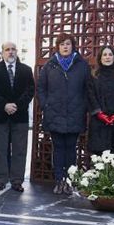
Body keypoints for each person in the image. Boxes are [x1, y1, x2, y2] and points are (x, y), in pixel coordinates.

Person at [37, 34, 89, 195]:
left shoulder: (82, 65)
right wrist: (46, 105)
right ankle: (59, 179)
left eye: (68, 44)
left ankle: (69, 181)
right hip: (55, 113)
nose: (65, 47)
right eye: (62, 44)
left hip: (75, 113)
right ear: (57, 47)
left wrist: (83, 107)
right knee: (58, 148)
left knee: (71, 149)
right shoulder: (50, 65)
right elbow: (41, 88)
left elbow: (87, 89)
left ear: (73, 46)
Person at [0, 42, 34, 192]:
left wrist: (16, 105)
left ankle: (17, 180)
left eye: (13, 49)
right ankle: (0, 179)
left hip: (20, 116)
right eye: (7, 49)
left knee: (20, 150)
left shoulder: (26, 70)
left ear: (17, 51)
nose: (11, 52)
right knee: (0, 149)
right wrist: (4, 105)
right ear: (3, 52)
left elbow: (30, 90)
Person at [87, 45, 114, 157]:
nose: (107, 57)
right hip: (98, 122)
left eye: (110, 54)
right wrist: (99, 113)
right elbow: (90, 96)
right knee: (99, 158)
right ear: (100, 57)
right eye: (104, 55)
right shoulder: (93, 77)